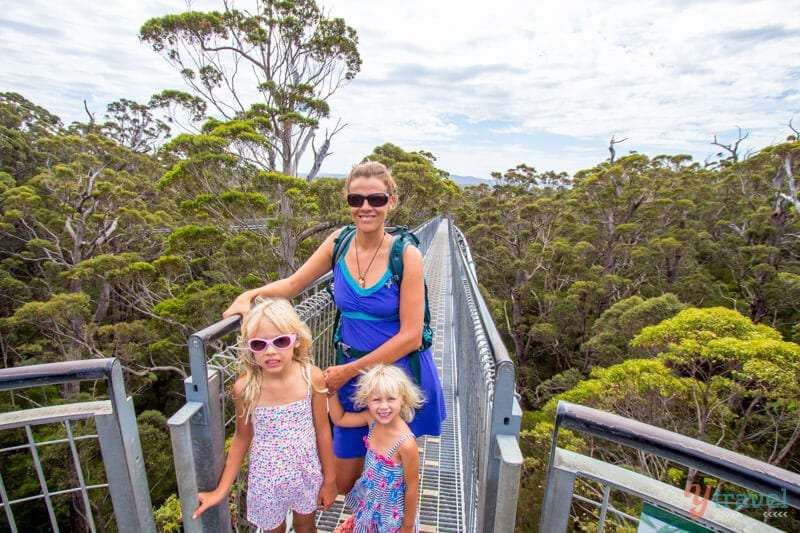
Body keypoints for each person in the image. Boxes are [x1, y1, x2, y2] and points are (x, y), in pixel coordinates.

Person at [223, 161, 446, 494]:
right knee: (344, 482)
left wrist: (348, 371)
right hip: (351, 373)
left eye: (376, 199)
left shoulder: (407, 256)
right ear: (347, 202)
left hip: (393, 376)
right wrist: (250, 294)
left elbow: (412, 336)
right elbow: (294, 284)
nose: (366, 207)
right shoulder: (338, 243)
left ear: (392, 201)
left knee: (389, 479)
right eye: (356, 200)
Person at [192, 297, 337, 533]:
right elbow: (241, 438)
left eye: (280, 341)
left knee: (305, 526)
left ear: (296, 341)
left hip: (305, 473)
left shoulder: (312, 377)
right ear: (250, 348)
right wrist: (221, 490)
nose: (270, 351)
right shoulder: (246, 388)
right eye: (259, 345)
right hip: (266, 481)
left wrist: (329, 480)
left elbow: (323, 430)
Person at [328, 364, 423, 533]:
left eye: (391, 399)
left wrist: (407, 527)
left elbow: (412, 487)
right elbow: (340, 418)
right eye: (377, 400)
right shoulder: (371, 420)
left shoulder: (406, 444)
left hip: (392, 517)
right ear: (368, 401)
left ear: (403, 399)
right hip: (371, 503)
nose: (383, 406)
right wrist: (332, 393)